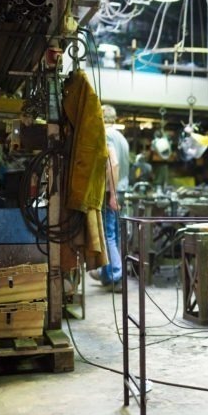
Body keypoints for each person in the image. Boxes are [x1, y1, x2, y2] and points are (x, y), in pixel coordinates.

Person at [89, 104, 130, 292]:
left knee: (108, 235)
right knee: (111, 233)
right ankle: (107, 274)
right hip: (119, 189)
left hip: (109, 191)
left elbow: (113, 164)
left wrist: (112, 194)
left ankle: (115, 274)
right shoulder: (121, 137)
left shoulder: (106, 135)